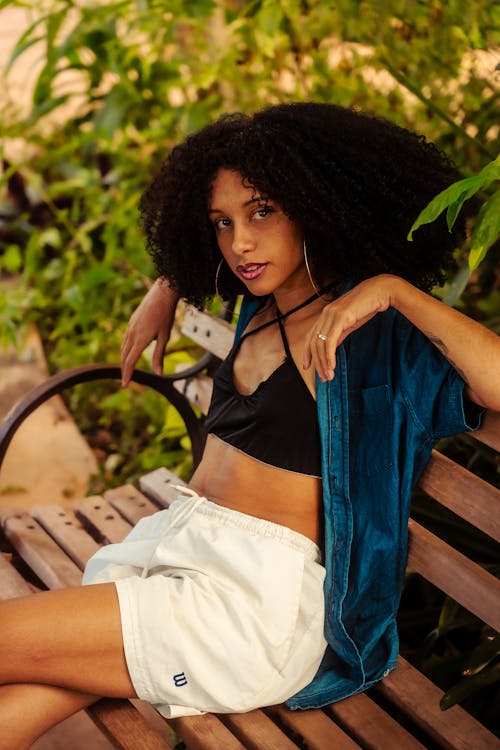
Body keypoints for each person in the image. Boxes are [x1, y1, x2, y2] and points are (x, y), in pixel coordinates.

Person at [1, 103, 499, 749]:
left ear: (319, 205)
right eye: (221, 222)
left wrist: (394, 291)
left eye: (262, 211)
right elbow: (208, 264)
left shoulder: (376, 341)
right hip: (177, 557)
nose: (239, 242)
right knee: (33, 691)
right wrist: (169, 282)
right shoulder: (257, 305)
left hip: (249, 610)